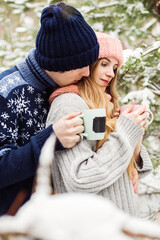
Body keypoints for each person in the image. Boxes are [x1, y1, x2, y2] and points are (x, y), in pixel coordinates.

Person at [0, 3, 99, 215]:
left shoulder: (67, 86)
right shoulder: (7, 91)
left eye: (90, 63)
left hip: (57, 219)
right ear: (56, 63)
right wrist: (50, 139)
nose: (87, 72)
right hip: (14, 223)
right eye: (79, 64)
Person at [46, 32, 153, 216]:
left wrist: (135, 136)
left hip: (118, 225)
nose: (111, 73)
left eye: (115, 67)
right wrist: (125, 131)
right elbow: (80, 179)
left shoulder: (104, 104)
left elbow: (124, 173)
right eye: (104, 64)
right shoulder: (70, 104)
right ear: (88, 64)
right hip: (91, 228)